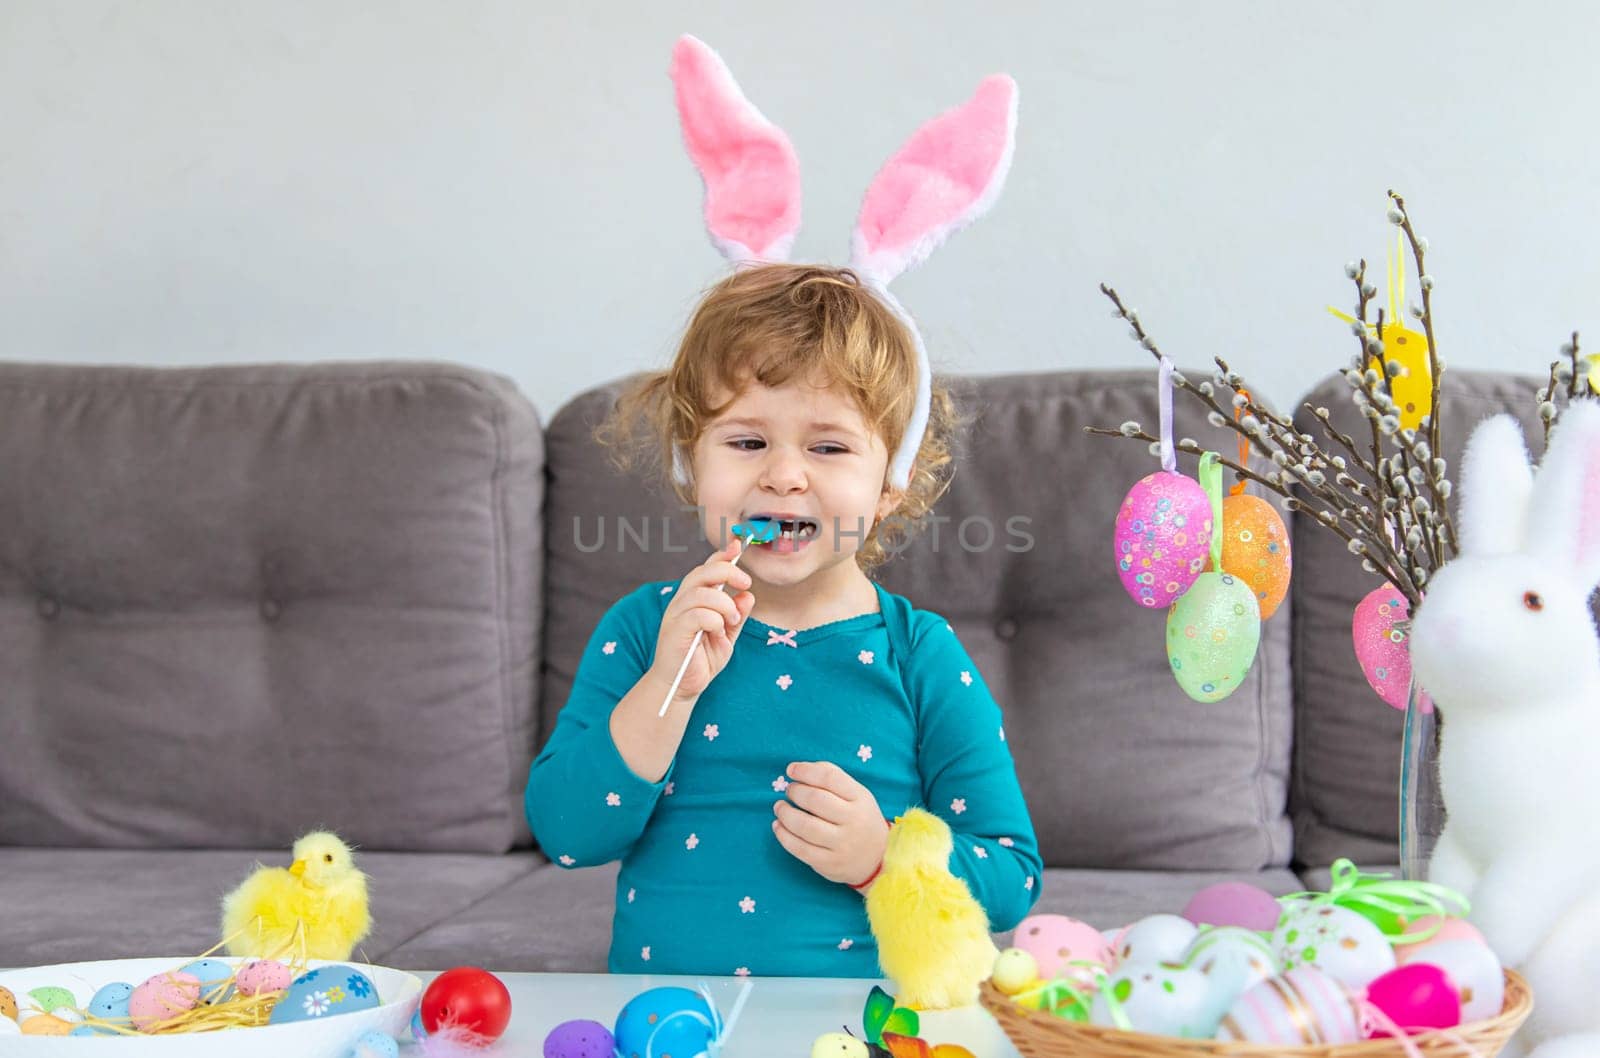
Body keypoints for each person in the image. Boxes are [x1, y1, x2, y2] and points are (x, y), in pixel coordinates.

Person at [524, 36, 1039, 976]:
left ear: (889, 487)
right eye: (747, 441)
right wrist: (667, 687)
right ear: (693, 465)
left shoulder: (920, 658)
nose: (785, 477)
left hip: (870, 1028)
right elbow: (566, 833)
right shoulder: (645, 632)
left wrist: (889, 857)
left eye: (830, 447)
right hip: (670, 1026)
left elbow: (1011, 877)